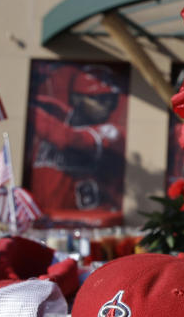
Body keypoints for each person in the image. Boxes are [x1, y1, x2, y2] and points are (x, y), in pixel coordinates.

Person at [30, 64, 124, 213]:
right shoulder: (61, 117)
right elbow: (52, 107)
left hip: (88, 220)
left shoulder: (113, 133)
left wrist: (28, 109)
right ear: (76, 99)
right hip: (45, 215)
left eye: (111, 100)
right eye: (99, 99)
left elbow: (67, 138)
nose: (107, 106)